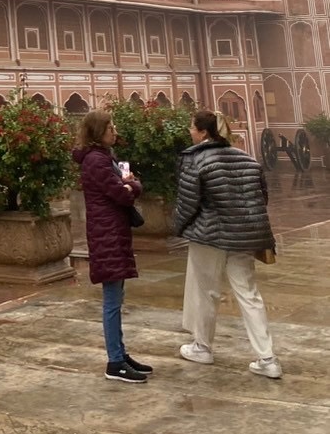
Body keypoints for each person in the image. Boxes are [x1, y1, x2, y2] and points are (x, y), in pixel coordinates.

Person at [174, 109, 281, 378]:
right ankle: (267, 359)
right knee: (249, 294)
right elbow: (261, 197)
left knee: (206, 291)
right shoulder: (247, 159)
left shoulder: (195, 159)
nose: (190, 131)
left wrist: (178, 227)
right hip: (244, 235)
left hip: (209, 235)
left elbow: (188, 202)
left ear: (203, 132)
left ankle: (202, 347)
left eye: (192, 126)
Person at [72, 110, 152, 384]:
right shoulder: (96, 161)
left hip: (112, 231)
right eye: (110, 128)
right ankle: (114, 362)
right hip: (106, 233)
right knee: (111, 302)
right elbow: (122, 193)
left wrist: (131, 186)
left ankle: (120, 354)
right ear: (98, 132)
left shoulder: (104, 158)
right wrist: (130, 186)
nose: (114, 131)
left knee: (116, 298)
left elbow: (130, 187)